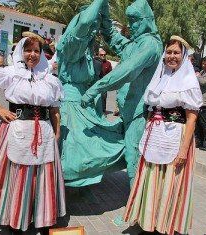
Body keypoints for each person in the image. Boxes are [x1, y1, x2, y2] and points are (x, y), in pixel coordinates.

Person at [0, 35, 66, 231]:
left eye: (36, 51)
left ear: (42, 54)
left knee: (42, 177)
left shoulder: (50, 80)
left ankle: (41, 218)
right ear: (21, 52)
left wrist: (57, 134)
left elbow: (54, 110)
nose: (32, 54)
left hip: (43, 132)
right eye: (28, 50)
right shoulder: (10, 73)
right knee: (16, 176)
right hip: (16, 129)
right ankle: (15, 219)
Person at [123, 37, 203, 234]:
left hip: (176, 137)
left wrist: (183, 150)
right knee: (151, 178)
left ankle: (165, 225)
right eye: (169, 52)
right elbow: (152, 109)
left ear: (183, 56)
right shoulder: (160, 77)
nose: (172, 56)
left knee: (170, 181)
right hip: (155, 136)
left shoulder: (188, 82)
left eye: (176, 53)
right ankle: (148, 222)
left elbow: (191, 119)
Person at [81, 0, 163, 184]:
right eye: (130, 21)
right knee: (130, 153)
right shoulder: (135, 44)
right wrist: (103, 9)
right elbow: (112, 36)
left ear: (146, 20)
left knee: (134, 155)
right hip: (129, 110)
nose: (131, 26)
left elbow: (127, 70)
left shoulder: (150, 44)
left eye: (135, 21)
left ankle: (136, 210)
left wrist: (95, 89)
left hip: (139, 112)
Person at [57, 0, 125, 187]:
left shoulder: (86, 51)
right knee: (72, 150)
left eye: (96, 27)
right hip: (70, 105)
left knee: (88, 148)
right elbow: (86, 22)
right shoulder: (71, 46)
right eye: (92, 26)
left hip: (85, 104)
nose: (94, 30)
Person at [97, 48, 112, 112]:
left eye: (104, 55)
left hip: (104, 84)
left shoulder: (108, 63)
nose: (103, 56)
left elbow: (110, 74)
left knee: (103, 97)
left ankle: (103, 111)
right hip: (94, 83)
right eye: (101, 55)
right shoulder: (94, 61)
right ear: (98, 55)